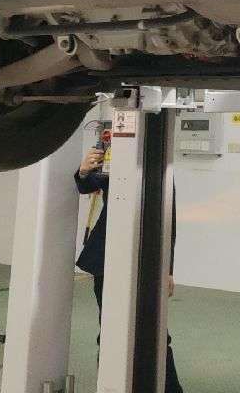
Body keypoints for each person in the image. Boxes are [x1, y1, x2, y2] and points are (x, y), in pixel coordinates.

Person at [75, 144, 184, 393]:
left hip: (146, 262)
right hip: (107, 259)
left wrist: (166, 269)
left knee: (155, 331)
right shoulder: (113, 162)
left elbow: (169, 222)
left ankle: (168, 388)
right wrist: (83, 170)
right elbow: (87, 185)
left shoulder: (160, 171)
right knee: (109, 328)